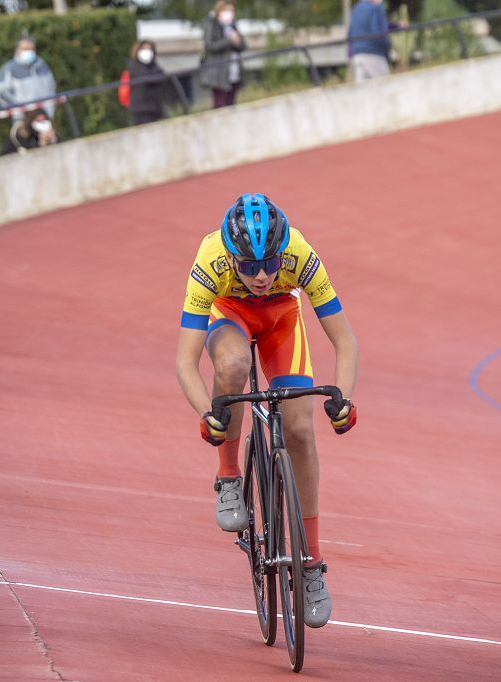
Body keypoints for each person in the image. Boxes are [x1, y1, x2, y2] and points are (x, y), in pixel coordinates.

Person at [175, 193, 359, 629]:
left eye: (271, 265)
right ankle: (228, 477)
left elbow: (345, 342)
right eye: (249, 267)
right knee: (234, 366)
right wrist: (207, 413)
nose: (261, 276)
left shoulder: (300, 252)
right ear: (230, 256)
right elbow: (185, 361)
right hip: (230, 317)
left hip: (282, 321)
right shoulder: (210, 258)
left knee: (300, 431)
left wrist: (344, 399)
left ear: (283, 254)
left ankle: (312, 564)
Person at [0, 37, 57, 120]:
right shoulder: (9, 69)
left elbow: (51, 87)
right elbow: (1, 94)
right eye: (26, 49)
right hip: (24, 119)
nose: (29, 51)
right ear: (17, 50)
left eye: (32, 49)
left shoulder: (42, 65)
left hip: (45, 116)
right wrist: (21, 110)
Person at [199, 1, 246, 109]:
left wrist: (237, 41)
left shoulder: (233, 24)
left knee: (231, 105)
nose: (229, 13)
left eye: (231, 10)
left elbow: (243, 45)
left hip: (233, 72)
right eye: (226, 10)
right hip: (218, 73)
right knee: (220, 106)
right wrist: (229, 40)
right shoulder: (211, 23)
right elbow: (210, 45)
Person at [347, 0, 392, 82]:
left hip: (357, 55)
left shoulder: (357, 8)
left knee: (362, 91)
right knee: (385, 87)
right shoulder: (376, 8)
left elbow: (350, 33)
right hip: (374, 54)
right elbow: (378, 32)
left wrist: (350, 54)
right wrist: (388, 46)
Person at [126, 40, 167, 126]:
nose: (147, 51)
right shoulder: (133, 66)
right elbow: (144, 77)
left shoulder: (154, 65)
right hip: (140, 111)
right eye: (144, 49)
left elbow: (161, 76)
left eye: (149, 49)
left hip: (156, 109)